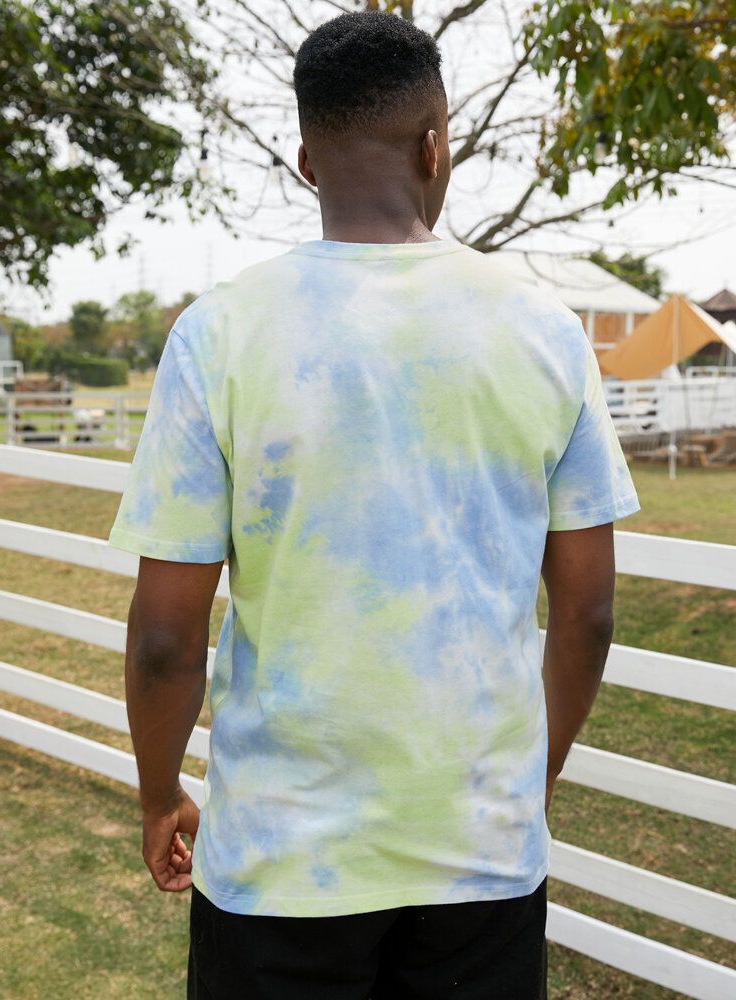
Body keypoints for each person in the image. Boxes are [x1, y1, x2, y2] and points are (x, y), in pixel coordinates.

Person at [109, 10, 641, 1000]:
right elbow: (589, 610)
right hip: (478, 856)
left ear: (307, 160)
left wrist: (157, 792)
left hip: (277, 864)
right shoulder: (545, 333)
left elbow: (167, 639)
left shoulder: (217, 338)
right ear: (437, 144)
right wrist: (534, 781)